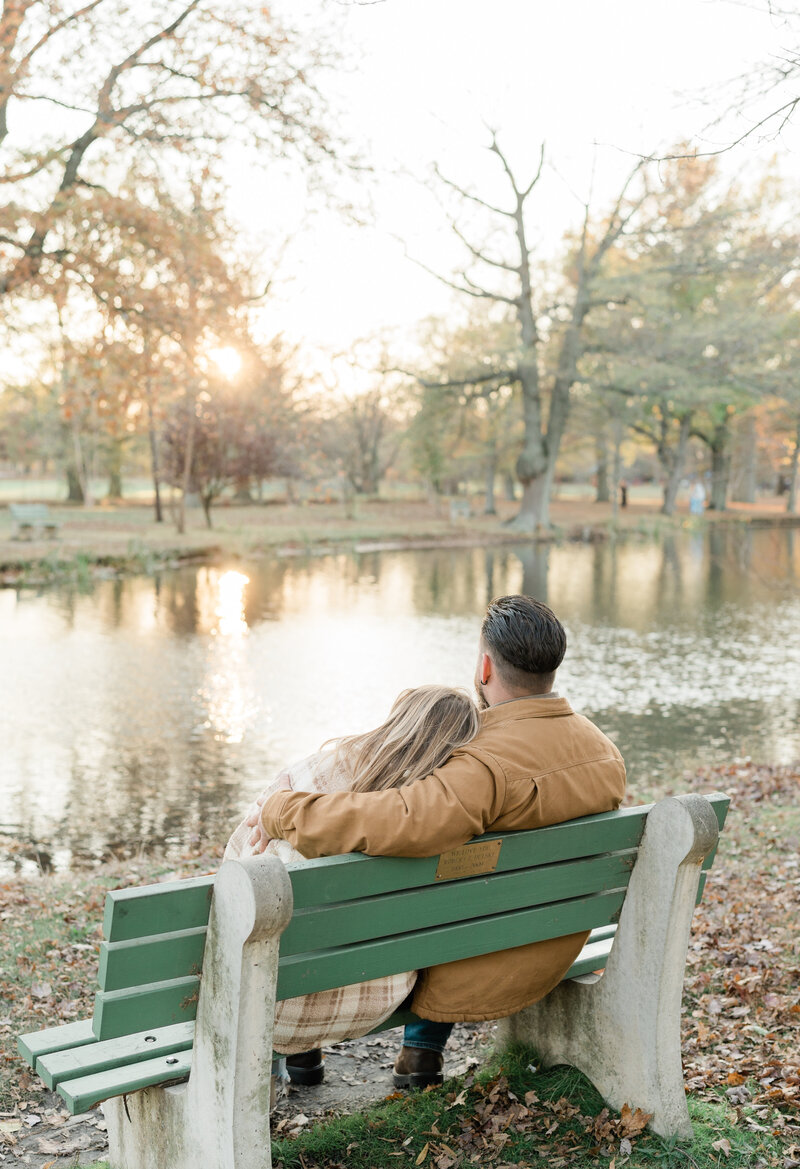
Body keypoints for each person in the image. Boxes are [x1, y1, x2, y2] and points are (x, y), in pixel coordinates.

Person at [248, 595, 626, 1088]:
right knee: (458, 884)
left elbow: (400, 820)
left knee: (389, 879)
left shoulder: (483, 761)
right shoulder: (603, 750)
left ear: (485, 666)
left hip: (479, 958)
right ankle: (422, 1050)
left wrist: (284, 808)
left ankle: (307, 1051)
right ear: (551, 668)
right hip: (552, 942)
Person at [226, 684, 480, 1085]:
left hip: (276, 1010)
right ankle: (419, 1053)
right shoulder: (444, 814)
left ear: (397, 722)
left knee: (283, 914)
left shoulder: (312, 774)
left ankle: (300, 1061)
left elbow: (236, 871)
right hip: (377, 1000)